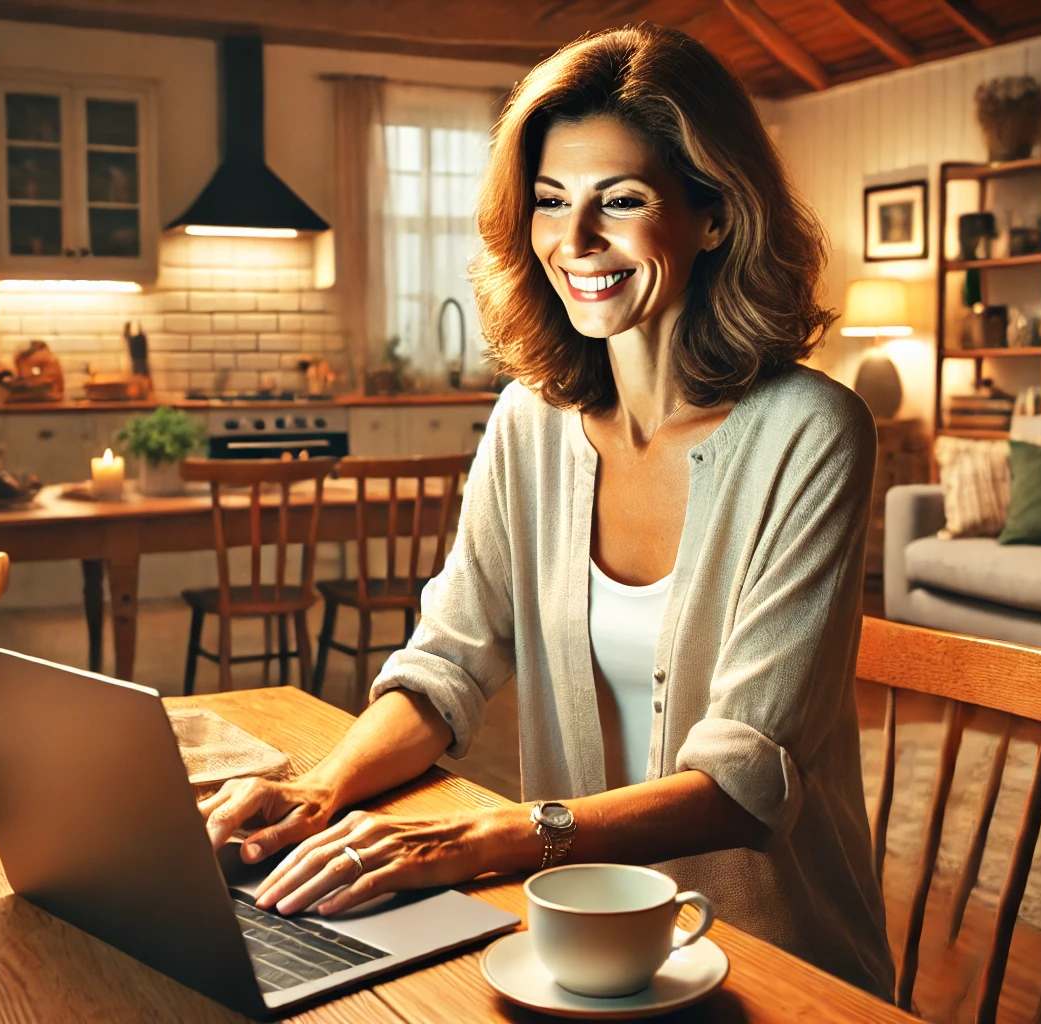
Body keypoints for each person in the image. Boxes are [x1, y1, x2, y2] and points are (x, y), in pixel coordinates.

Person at [199, 23, 895, 997]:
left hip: (770, 960)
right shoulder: (531, 420)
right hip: (569, 951)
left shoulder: (813, 431)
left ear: (715, 215)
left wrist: (479, 839)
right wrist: (318, 792)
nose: (576, 243)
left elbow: (744, 782)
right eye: (550, 203)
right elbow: (445, 667)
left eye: (620, 201)